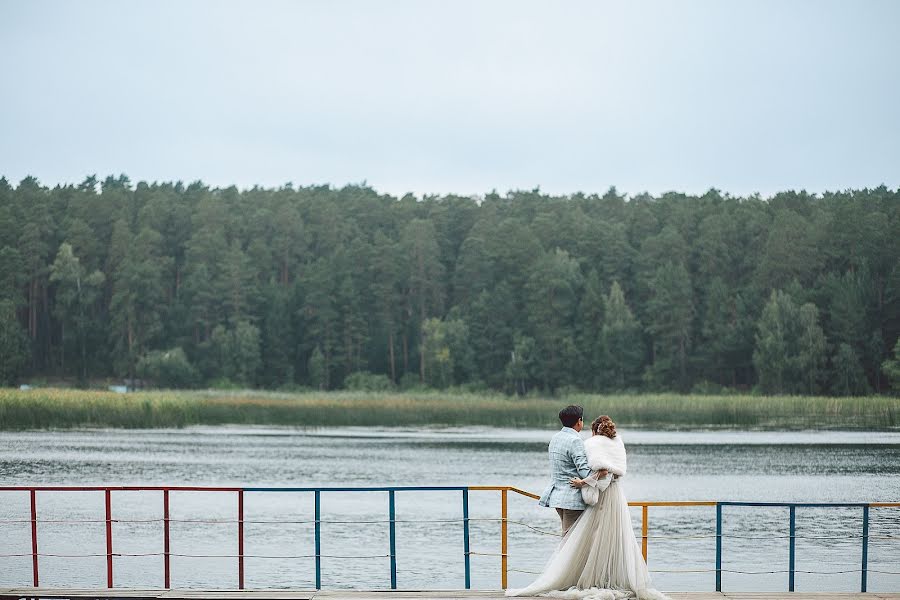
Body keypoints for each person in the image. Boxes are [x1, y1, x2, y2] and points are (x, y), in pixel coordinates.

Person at [507, 415, 670, 600]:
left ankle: (588, 577)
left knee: (589, 537)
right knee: (614, 536)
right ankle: (610, 576)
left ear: (593, 429)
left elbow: (602, 472)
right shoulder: (618, 444)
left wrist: (581, 482)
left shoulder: (593, 443)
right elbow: (614, 472)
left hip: (603, 496)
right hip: (617, 496)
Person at [537, 405, 609, 536]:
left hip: (557, 496)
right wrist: (602, 470)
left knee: (568, 538)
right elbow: (585, 472)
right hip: (572, 499)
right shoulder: (575, 441)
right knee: (570, 541)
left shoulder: (555, 438)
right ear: (579, 421)